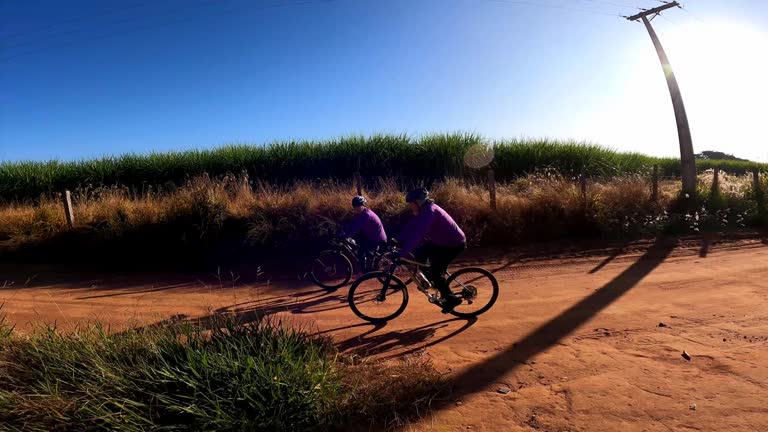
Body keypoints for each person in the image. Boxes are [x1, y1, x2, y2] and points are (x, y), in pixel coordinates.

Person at [395, 187, 466, 313]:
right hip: (440, 242)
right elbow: (411, 226)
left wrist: (403, 252)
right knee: (419, 255)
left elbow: (418, 234)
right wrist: (396, 239)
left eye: (411, 204)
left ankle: (451, 299)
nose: (410, 206)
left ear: (419, 202)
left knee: (436, 270)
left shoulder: (429, 211)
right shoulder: (422, 211)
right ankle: (433, 282)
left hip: (453, 244)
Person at [343, 196, 387, 272]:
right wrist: (344, 230)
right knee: (360, 244)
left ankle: (365, 271)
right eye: (355, 206)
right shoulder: (361, 213)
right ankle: (368, 264)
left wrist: (346, 236)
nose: (356, 208)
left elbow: (357, 228)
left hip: (378, 239)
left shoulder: (366, 215)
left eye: (358, 206)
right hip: (371, 236)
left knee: (361, 250)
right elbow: (353, 223)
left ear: (363, 205)